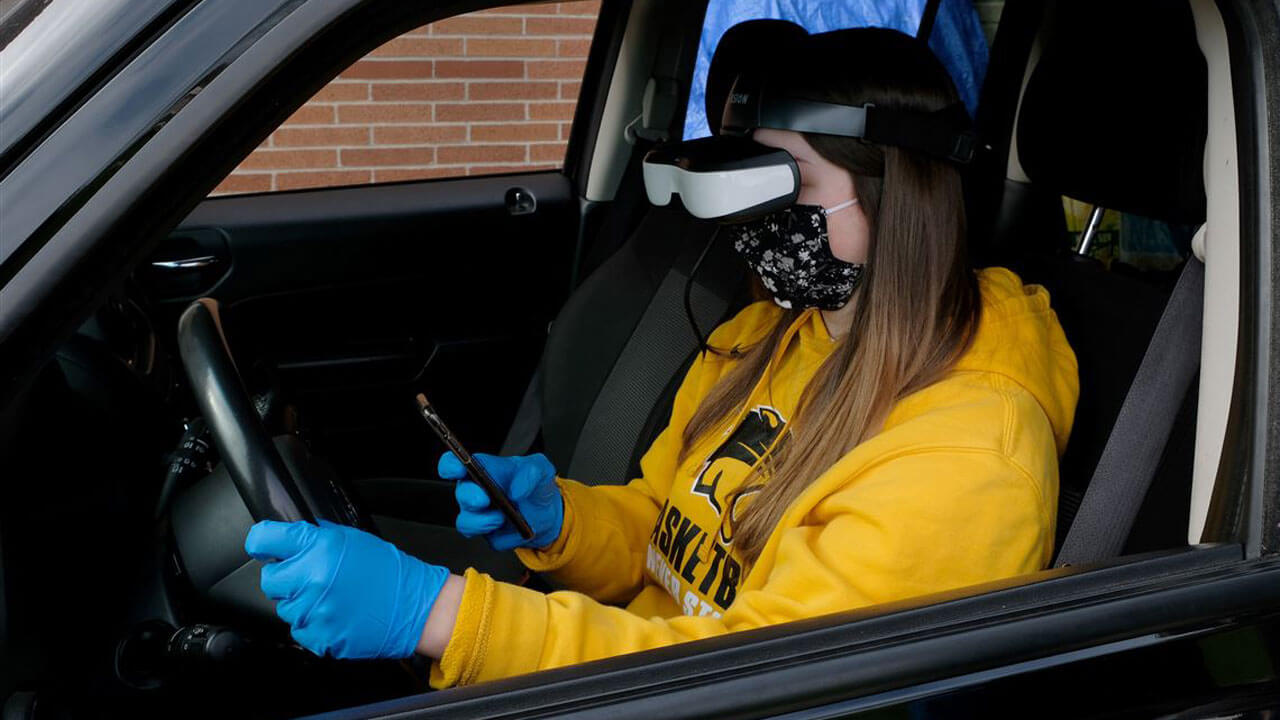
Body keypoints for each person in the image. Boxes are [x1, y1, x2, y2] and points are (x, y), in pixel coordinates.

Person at [243, 25, 1079, 689]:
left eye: (788, 182)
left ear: (901, 199)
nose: (758, 220)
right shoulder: (778, 333)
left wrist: (443, 618)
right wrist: (565, 521)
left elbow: (764, 684)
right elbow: (661, 527)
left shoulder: (969, 455)